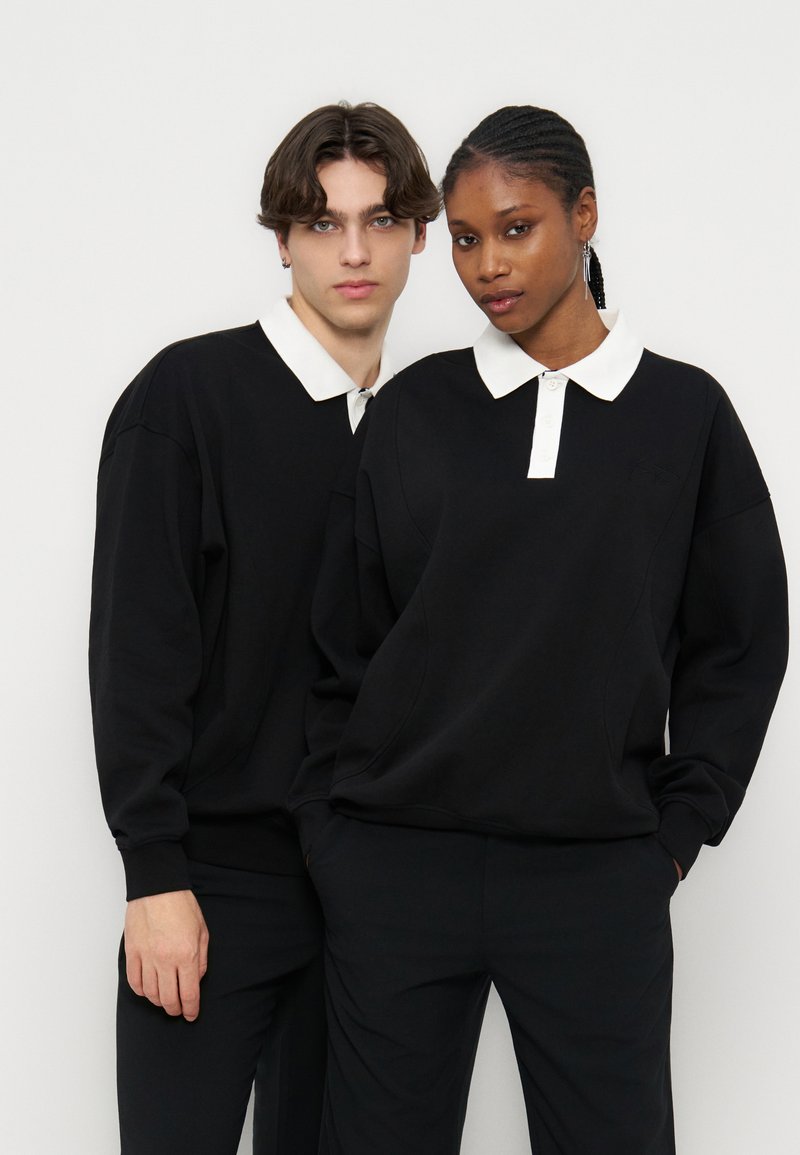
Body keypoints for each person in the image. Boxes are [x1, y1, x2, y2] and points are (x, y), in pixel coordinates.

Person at [290, 105, 789, 1154]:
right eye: (466, 239)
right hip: (397, 864)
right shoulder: (415, 410)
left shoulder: (683, 415)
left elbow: (739, 644)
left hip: (593, 875)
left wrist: (672, 837)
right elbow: (341, 637)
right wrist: (339, 836)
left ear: (584, 215)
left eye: (516, 229)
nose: (487, 265)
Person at [89, 100, 437, 1155]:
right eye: (323, 223)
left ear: (418, 236)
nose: (354, 252)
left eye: (379, 221)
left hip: (369, 899)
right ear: (282, 239)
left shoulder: (424, 432)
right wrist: (155, 873)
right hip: (212, 887)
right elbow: (137, 648)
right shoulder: (187, 397)